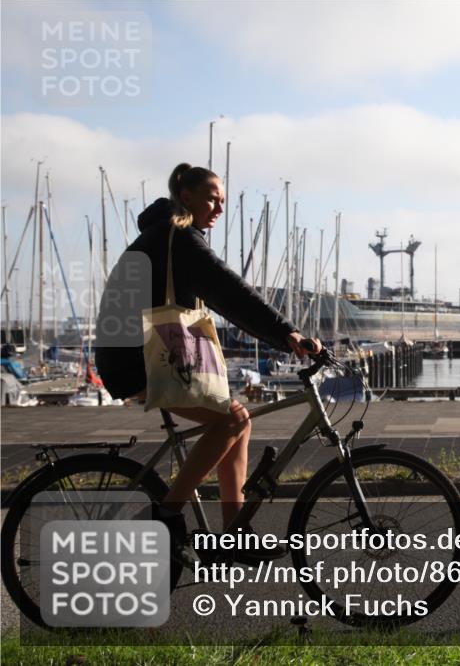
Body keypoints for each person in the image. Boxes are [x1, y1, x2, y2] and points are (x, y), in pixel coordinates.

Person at [96, 163, 322, 561]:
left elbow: (222, 293)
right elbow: (230, 292)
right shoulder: (179, 239)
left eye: (221, 200)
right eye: (212, 198)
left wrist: (280, 334)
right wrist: (288, 334)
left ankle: (234, 534)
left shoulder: (170, 235)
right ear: (187, 196)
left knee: (240, 419)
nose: (219, 207)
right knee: (232, 419)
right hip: (135, 358)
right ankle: (166, 512)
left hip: (138, 352)